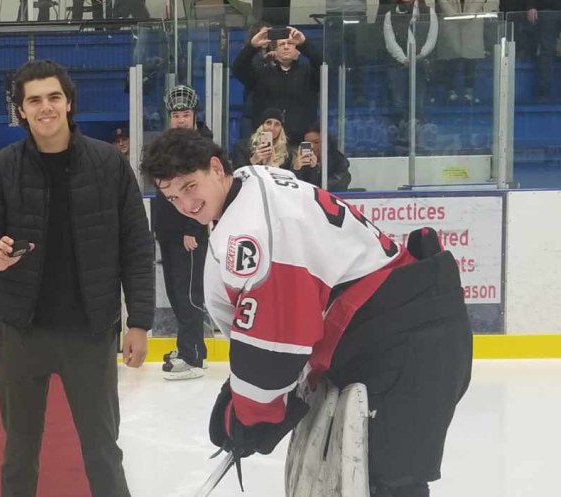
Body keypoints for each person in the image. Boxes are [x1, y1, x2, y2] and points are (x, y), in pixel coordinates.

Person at [140, 128, 472, 497]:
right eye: (172, 198)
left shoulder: (253, 229)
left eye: (189, 187)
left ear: (216, 169)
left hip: (405, 337)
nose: (186, 205)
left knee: (388, 483)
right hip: (392, 324)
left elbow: (276, 343)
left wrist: (252, 412)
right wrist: (246, 393)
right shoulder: (251, 181)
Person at [0, 59, 154, 497]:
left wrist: (140, 321)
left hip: (90, 332)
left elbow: (137, 247)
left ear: (68, 103)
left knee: (103, 451)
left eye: (54, 97)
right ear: (21, 110)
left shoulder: (109, 164)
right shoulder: (0, 167)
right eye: (34, 100)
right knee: (18, 454)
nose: (45, 107)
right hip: (20, 331)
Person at [154, 84, 212, 381]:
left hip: (188, 234)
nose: (180, 119)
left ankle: (193, 357)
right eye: (176, 114)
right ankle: (189, 349)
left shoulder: (203, 147)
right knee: (177, 294)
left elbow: (204, 192)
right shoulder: (165, 144)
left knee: (189, 293)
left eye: (185, 114)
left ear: (193, 116)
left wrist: (193, 228)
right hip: (167, 231)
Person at [233, 25, 322, 144]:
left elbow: (323, 66)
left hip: (300, 143)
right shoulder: (261, 72)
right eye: (281, 44)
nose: (286, 47)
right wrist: (252, 46)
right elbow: (238, 69)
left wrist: (304, 44)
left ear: (297, 48)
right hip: (268, 144)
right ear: (274, 49)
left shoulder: (308, 73)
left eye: (290, 43)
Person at [291, 121, 353, 191]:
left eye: (316, 142)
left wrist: (315, 169)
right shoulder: (302, 163)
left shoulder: (339, 162)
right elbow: (294, 190)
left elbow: (328, 189)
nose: (312, 146)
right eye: (307, 143)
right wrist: (296, 170)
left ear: (327, 142)